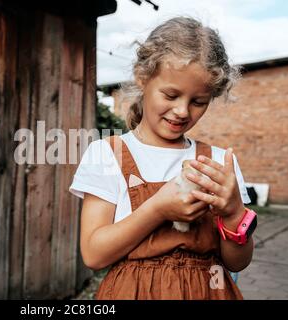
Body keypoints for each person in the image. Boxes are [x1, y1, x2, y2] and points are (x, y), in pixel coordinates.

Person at [69, 17, 255, 300]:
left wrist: (233, 213)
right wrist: (157, 210)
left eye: (198, 102)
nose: (182, 111)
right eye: (171, 95)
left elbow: (236, 262)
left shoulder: (219, 163)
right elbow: (94, 254)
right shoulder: (107, 154)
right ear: (142, 77)